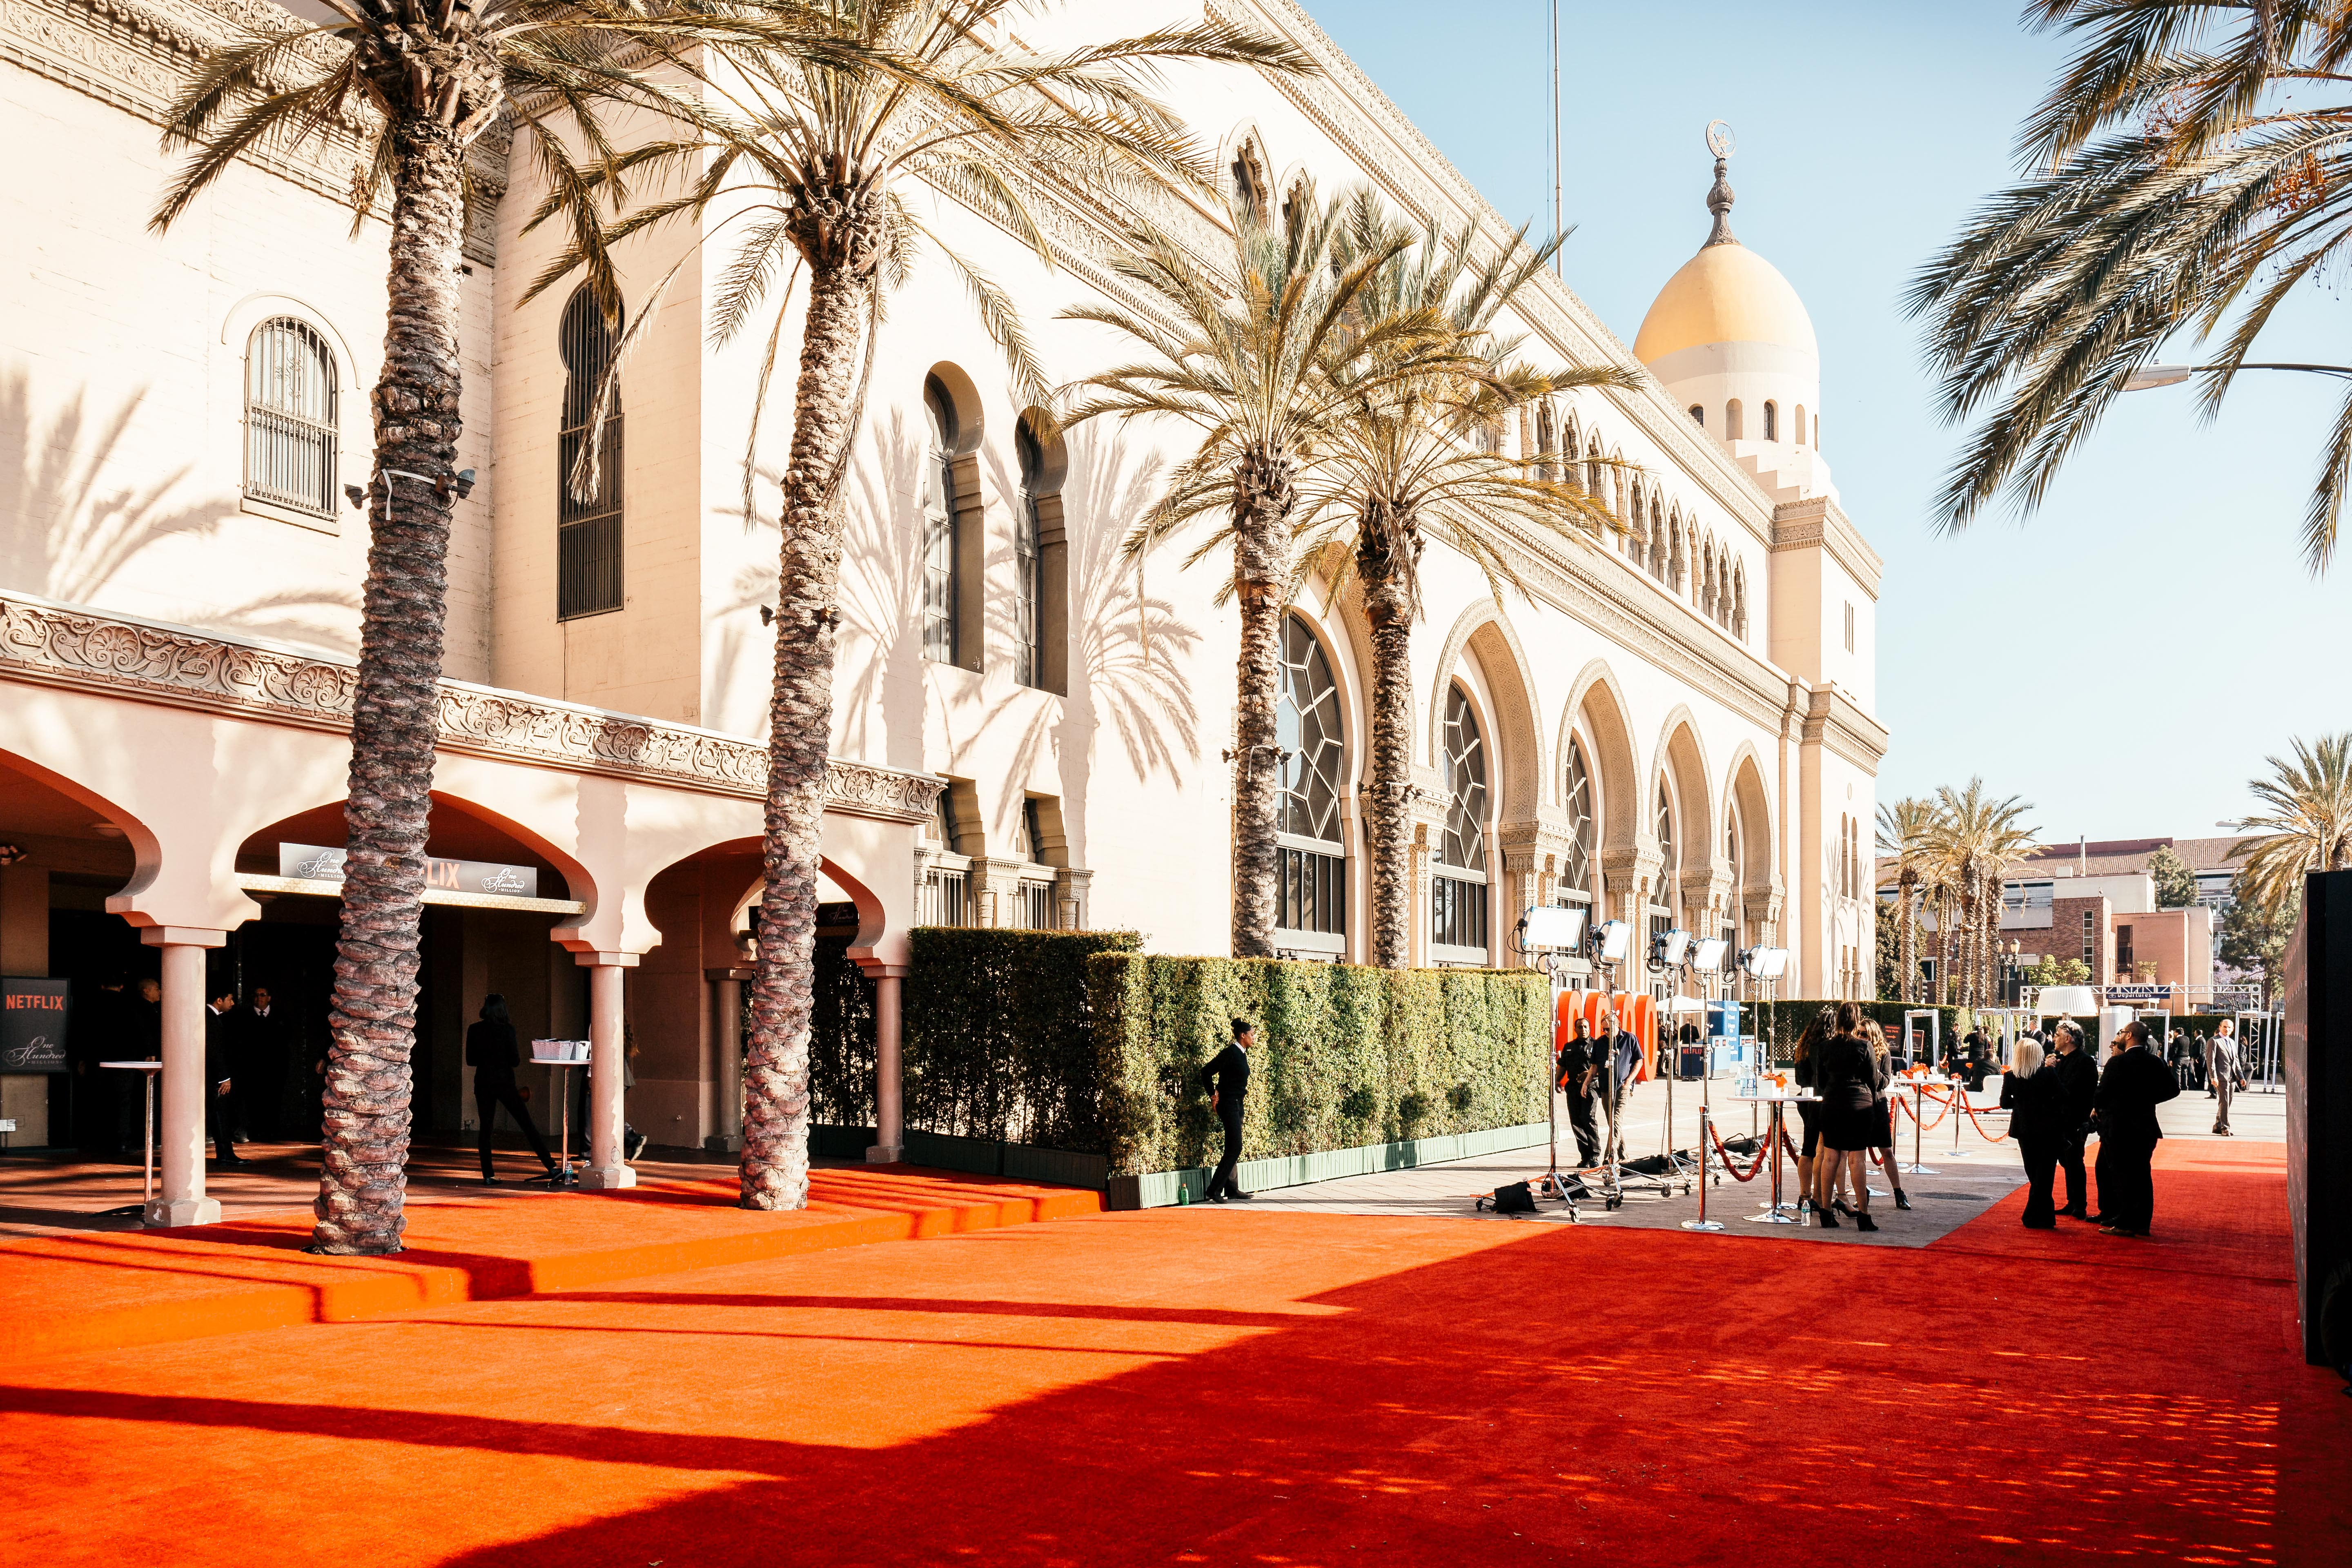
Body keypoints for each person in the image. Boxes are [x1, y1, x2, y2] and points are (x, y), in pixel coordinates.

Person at [2089, 1019, 2181, 1237]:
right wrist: (2148, 1099)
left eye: (2121, 1032)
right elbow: (2174, 1089)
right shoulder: (2155, 1062)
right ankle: (2141, 1223)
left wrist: (2106, 1107)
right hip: (2145, 1127)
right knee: (2142, 1175)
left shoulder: (2117, 1063)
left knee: (2122, 1176)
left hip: (2119, 1128)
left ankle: (2127, 1222)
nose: (2119, 1036)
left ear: (2130, 1036)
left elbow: (2101, 1096)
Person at [466, 994, 557, 1185]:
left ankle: (488, 1175)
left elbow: (470, 1060)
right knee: (526, 1124)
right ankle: (551, 1166)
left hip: (483, 1082)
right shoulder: (508, 1030)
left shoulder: (474, 1029)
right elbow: (515, 1061)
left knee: (486, 1128)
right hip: (504, 1082)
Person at [1813, 1002, 1886, 1232]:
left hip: (1832, 1104)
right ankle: (1864, 1215)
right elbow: (1874, 1082)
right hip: (1859, 1107)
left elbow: (1820, 1082)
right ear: (1856, 1021)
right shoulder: (1864, 1047)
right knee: (1857, 1160)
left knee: (1830, 1157)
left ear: (1838, 1022)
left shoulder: (1825, 1047)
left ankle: (1826, 1211)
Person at [1999, 1036, 2067, 1227]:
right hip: (2048, 1130)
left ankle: (2037, 1217)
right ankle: (2039, 1217)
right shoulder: (2048, 1074)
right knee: (2044, 1175)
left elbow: (2004, 1103)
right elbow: (2064, 1096)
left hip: (2024, 1130)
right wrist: (2046, 1104)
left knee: (2034, 1173)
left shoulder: (2011, 1076)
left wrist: (2022, 1104)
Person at [1789, 1006, 1837, 1217]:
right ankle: (1821, 1195)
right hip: (1826, 1101)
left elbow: (1800, 1079)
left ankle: (1804, 1195)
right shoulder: (1830, 1048)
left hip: (1807, 1101)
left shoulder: (1805, 1047)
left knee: (1808, 1150)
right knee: (1827, 1151)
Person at [1861, 1019, 1913, 1211]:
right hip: (1859, 1105)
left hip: (1877, 1105)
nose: (1860, 1037)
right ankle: (1862, 1192)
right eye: (1859, 1033)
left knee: (1887, 1151)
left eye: (1864, 1034)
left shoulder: (1884, 1053)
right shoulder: (1856, 1051)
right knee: (1857, 1155)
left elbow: (1885, 1082)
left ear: (1873, 1035)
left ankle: (1899, 1192)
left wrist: (1871, 1063)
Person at [1201, 1017, 1254, 1203]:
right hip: (1229, 1104)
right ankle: (1214, 1190)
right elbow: (1206, 1071)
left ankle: (1231, 1189)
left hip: (1238, 1104)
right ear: (1243, 1036)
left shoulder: (1242, 1053)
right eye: (1251, 1034)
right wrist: (1213, 1093)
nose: (1253, 1037)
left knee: (1232, 1146)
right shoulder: (1231, 1053)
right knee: (1235, 1146)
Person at [2049, 1020, 2098, 1220]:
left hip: (2075, 1121)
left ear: (2069, 1039)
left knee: (2074, 1162)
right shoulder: (2063, 1060)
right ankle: (2073, 1201)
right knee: (2067, 1162)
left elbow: (2071, 1091)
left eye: (2058, 1035)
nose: (2055, 1039)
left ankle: (2080, 1204)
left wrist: (2051, 1072)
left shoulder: (2084, 1062)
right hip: (2060, 1120)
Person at [203, 987, 246, 1168]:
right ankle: (225, 1154)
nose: (233, 1003)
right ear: (219, 1000)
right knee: (220, 1114)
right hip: (214, 1077)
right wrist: (223, 1078)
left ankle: (226, 1153)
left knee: (220, 1114)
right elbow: (214, 1051)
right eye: (230, 998)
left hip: (213, 1075)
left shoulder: (213, 1018)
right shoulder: (210, 1019)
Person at [240, 984, 288, 1144]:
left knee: (273, 1101)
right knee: (254, 1102)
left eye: (262, 995)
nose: (259, 998)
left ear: (269, 998)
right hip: (252, 1070)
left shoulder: (281, 1017)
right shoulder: (245, 1016)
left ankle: (272, 1131)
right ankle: (255, 1131)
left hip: (274, 1070)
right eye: (256, 995)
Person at [1556, 1015, 1602, 1168]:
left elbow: (1602, 1067)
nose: (1583, 1030)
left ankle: (1595, 1154)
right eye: (1580, 1027)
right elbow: (1562, 1066)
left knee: (1588, 1118)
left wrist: (1589, 1074)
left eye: (1585, 1027)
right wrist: (1557, 1081)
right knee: (1576, 1122)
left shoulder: (1597, 1045)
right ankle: (1585, 1156)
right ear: (1575, 1029)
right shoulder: (1569, 1047)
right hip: (1573, 1089)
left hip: (1591, 1088)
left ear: (1590, 1029)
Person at [2206, 1021, 2241, 1137]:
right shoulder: (2214, 1041)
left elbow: (2236, 1061)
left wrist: (2241, 1077)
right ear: (2220, 1027)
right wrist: (2213, 1076)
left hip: (2232, 1078)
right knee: (2224, 1102)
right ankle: (2225, 1128)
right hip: (2221, 1077)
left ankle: (2217, 1126)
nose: (2227, 1029)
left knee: (2227, 1102)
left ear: (2233, 1029)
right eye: (2225, 1027)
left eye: (2229, 1027)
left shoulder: (2232, 1042)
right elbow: (2210, 1061)